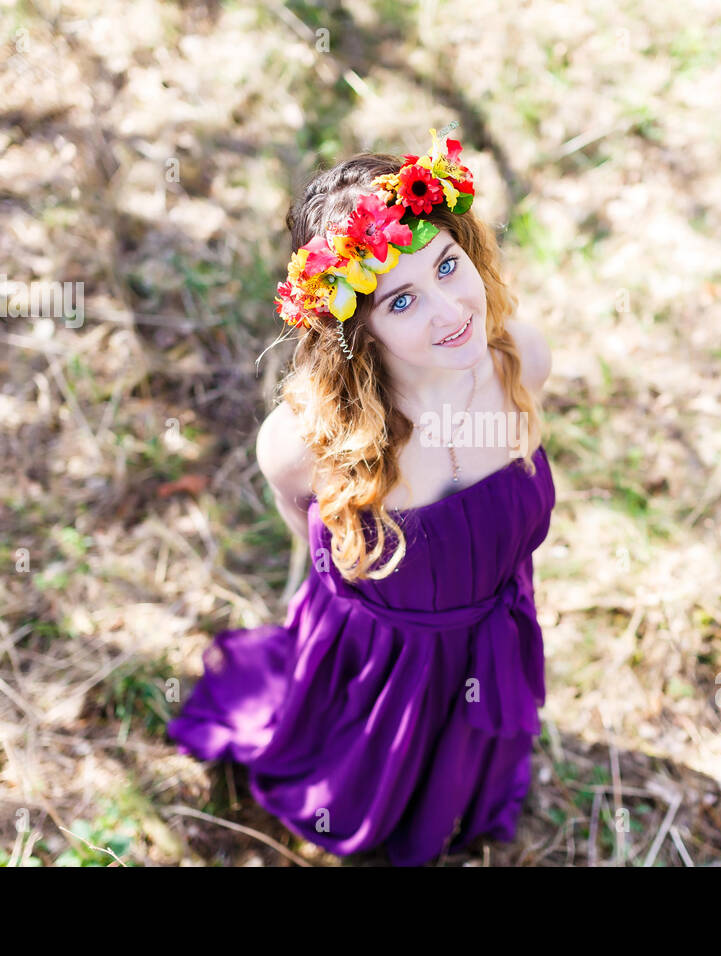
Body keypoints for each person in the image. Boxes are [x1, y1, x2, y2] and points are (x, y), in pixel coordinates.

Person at [167, 126, 556, 866]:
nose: (450, 310)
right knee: (363, 779)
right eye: (402, 301)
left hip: (485, 642)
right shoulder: (307, 443)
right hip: (380, 662)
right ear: (359, 331)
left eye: (449, 265)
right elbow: (303, 530)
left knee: (466, 751)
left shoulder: (522, 362)